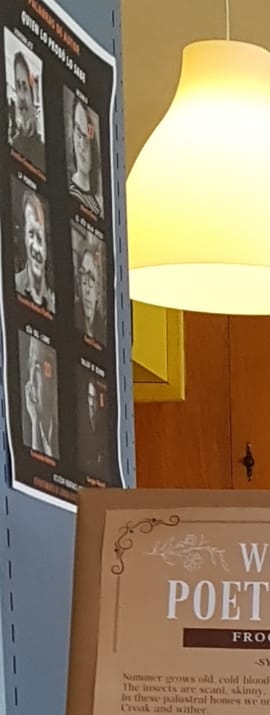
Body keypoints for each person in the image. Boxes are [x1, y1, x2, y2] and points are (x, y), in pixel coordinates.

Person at [13, 187, 52, 315]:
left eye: (39, 238)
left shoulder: (54, 302)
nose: (35, 247)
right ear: (24, 236)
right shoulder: (14, 285)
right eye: (31, 234)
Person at [65, 91, 103, 212]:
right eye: (78, 132)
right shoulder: (70, 191)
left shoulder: (96, 206)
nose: (82, 145)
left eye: (87, 137)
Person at [21, 336, 56, 459]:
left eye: (37, 370)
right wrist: (35, 422)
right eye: (31, 365)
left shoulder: (60, 431)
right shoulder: (25, 429)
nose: (31, 382)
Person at [7, 47, 41, 163]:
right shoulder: (12, 144)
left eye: (25, 87)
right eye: (18, 86)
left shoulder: (42, 151)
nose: (21, 95)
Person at [76, 375, 109, 478]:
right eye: (89, 397)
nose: (91, 403)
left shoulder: (103, 420)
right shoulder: (82, 418)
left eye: (94, 398)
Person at [74, 234, 105, 345]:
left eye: (91, 278)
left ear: (98, 291)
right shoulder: (73, 318)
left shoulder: (103, 334)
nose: (87, 289)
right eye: (83, 277)